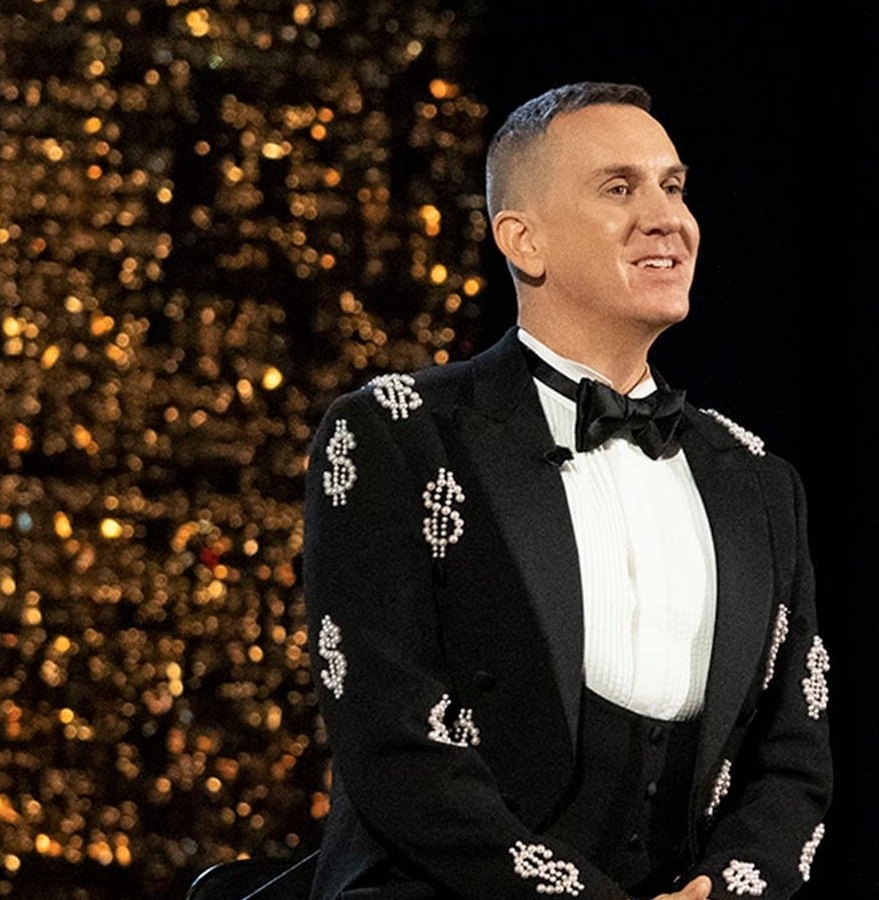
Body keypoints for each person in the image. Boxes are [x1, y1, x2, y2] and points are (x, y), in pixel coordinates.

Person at [303, 83, 832, 899]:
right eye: (619, 188)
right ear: (524, 240)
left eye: (673, 186)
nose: (667, 218)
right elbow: (392, 741)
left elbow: (793, 759)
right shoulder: (396, 433)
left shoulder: (759, 480)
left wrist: (724, 892)